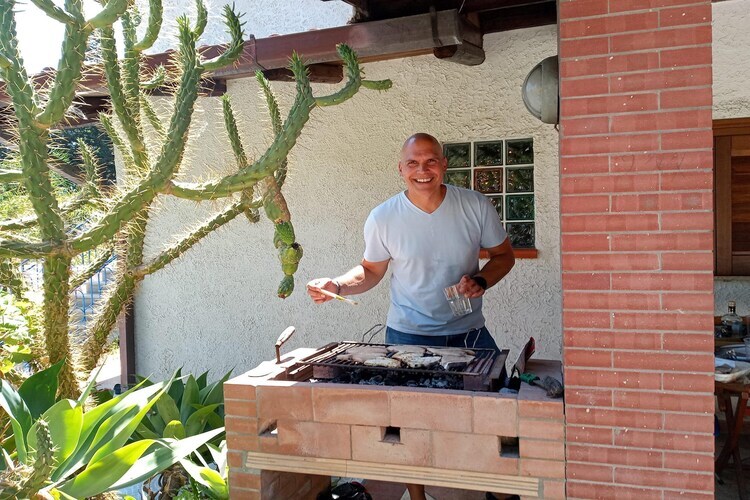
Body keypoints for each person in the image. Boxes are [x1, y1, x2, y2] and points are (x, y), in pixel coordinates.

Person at [307, 133, 515, 500]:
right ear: (401, 169)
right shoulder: (384, 216)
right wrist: (337, 285)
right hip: (407, 335)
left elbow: (504, 256)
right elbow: (370, 270)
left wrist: (482, 280)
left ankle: (500, 492)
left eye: (431, 160)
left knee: (497, 415)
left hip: (469, 332)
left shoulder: (474, 205)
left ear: (444, 164)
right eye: (413, 163)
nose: (423, 170)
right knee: (407, 426)